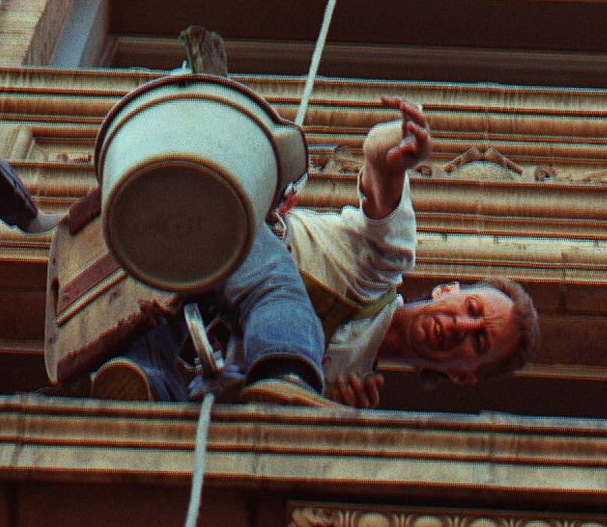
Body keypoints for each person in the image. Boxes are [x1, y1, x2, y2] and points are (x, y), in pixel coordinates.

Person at [92, 96, 539, 409]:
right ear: (447, 289)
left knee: (176, 376)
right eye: (472, 308)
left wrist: (331, 421)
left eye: (478, 340)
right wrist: (399, 146)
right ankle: (284, 371)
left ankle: (140, 384)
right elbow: (380, 162)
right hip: (221, 244)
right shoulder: (382, 264)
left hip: (177, 313)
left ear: (465, 374)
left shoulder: (348, 386)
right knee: (280, 294)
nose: (460, 326)